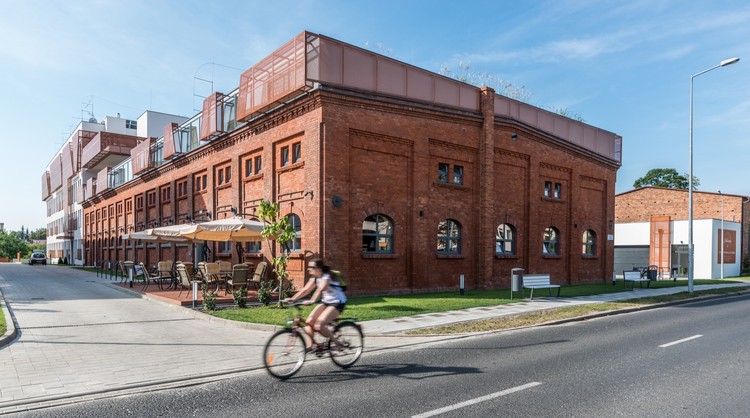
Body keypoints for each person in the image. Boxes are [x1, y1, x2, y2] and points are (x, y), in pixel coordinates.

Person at [284, 258, 347, 350]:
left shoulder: (326, 277)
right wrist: (292, 299)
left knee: (319, 325)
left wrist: (312, 301)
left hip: (337, 303)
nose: (309, 269)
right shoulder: (314, 278)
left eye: (312, 267)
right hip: (326, 302)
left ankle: (338, 343)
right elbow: (305, 290)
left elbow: (320, 289)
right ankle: (311, 345)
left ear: (319, 268)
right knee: (309, 321)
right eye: (309, 267)